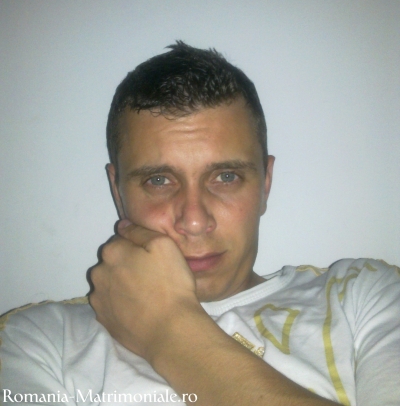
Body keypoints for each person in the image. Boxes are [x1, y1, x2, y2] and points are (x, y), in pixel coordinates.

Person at [1, 42, 399, 406]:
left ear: (266, 183)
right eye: (159, 181)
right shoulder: (38, 341)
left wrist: (169, 331)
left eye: (225, 176)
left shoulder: (364, 298)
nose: (194, 221)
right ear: (118, 191)